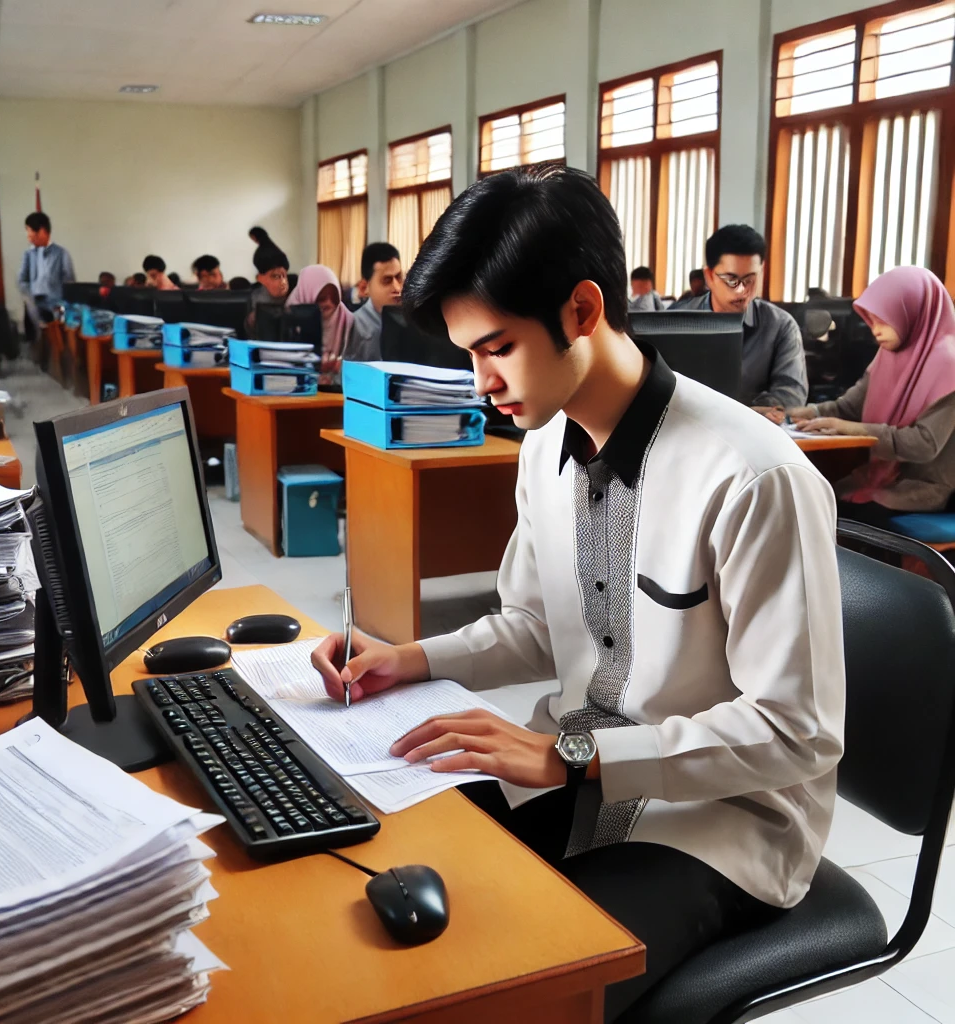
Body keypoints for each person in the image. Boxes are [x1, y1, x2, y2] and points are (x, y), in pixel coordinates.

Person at [309, 166, 844, 1020]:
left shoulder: (753, 477)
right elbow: (535, 624)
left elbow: (797, 731)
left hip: (719, 820)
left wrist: (578, 758)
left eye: (496, 348)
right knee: (387, 885)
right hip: (569, 773)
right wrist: (408, 657)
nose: (481, 381)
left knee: (530, 990)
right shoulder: (542, 444)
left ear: (583, 312)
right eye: (469, 354)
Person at [787, 266, 955, 528]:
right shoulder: (889, 355)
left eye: (883, 319)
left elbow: (924, 444)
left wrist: (854, 430)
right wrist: (802, 413)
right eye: (871, 320)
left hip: (927, 490)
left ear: (912, 311)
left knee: (826, 518)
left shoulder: (949, 365)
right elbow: (849, 407)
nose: (874, 330)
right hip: (881, 478)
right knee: (809, 501)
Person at [681, 225, 808, 413]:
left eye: (750, 280)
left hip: (754, 436)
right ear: (709, 276)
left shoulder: (780, 325)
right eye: (731, 280)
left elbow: (791, 395)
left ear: (762, 271)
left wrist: (738, 415)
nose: (741, 290)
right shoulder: (677, 321)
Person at [286, 265, 353, 381]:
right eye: (321, 297)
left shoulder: (347, 319)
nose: (328, 302)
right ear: (307, 293)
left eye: (333, 296)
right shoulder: (289, 316)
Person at [17, 212, 75, 333]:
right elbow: (22, 280)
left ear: (42, 231)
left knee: (57, 342)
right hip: (34, 308)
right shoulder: (28, 254)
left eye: (29, 231)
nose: (28, 235)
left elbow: (69, 283)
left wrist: (60, 303)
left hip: (56, 307)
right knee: (37, 342)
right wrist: (30, 296)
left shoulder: (61, 253)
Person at [348, 242, 404, 362]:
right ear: (365, 287)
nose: (397, 288)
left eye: (399, 277)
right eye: (387, 280)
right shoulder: (354, 327)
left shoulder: (412, 321)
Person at [244, 244, 291, 339]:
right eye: (275, 276)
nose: (282, 282)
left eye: (284, 275)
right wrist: (251, 321)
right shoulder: (254, 297)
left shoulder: (295, 293)